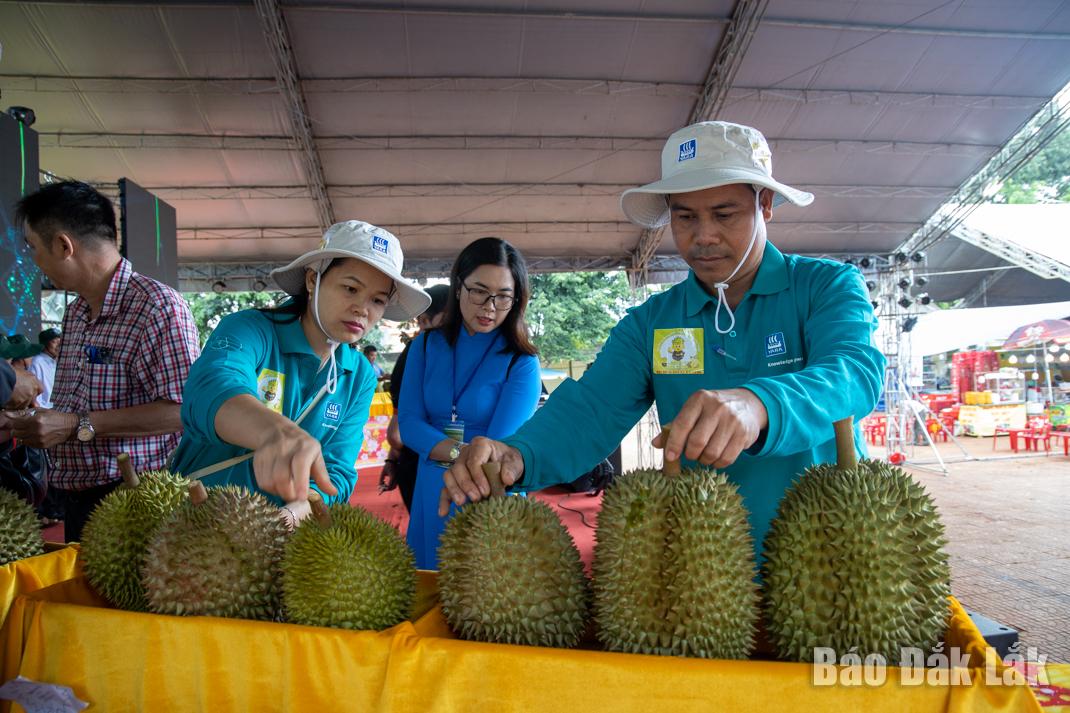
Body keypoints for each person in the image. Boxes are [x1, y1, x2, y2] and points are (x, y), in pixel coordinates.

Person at [440, 121, 886, 561]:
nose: (703, 235)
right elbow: (592, 411)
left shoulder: (824, 286)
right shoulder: (652, 323)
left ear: (764, 204)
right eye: (685, 216)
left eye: (724, 214)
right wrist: (519, 452)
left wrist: (760, 404)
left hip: (831, 553)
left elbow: (853, 373)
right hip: (704, 567)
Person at [170, 220, 430, 527]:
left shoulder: (358, 375)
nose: (363, 309)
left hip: (281, 537)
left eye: (377, 300)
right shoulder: (252, 329)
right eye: (350, 288)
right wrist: (270, 431)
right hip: (194, 526)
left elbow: (337, 470)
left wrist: (298, 512)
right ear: (312, 280)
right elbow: (210, 387)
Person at [11, 181, 201, 542]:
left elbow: (183, 409)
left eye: (35, 249)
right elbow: (75, 407)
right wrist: (39, 420)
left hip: (137, 498)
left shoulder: (157, 307)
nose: (35, 263)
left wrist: (73, 424)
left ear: (63, 245)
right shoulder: (77, 312)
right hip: (77, 495)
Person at [399, 237, 541, 569]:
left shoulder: (521, 362)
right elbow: (408, 424)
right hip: (431, 485)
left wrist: (462, 455)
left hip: (490, 490)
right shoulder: (424, 347)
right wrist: (460, 452)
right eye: (479, 291)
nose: (490, 307)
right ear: (458, 286)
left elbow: (499, 446)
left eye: (504, 296)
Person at [380, 283, 450, 511]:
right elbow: (398, 431)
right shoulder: (418, 352)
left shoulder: (452, 355)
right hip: (422, 463)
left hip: (436, 462)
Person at [28, 328, 62, 409]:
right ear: (45, 344)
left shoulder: (56, 362)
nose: (58, 345)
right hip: (44, 411)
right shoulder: (37, 362)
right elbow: (33, 393)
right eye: (54, 342)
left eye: (60, 342)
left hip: (57, 410)